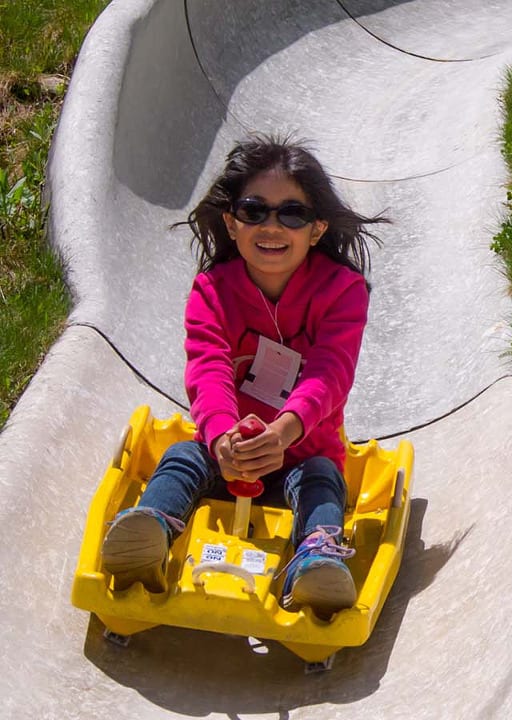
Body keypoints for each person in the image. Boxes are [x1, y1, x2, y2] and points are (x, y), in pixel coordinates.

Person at [100, 135, 387, 619]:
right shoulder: (212, 291)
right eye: (255, 211)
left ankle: (316, 556)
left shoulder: (342, 291)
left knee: (322, 478)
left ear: (316, 228)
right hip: (226, 452)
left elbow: (330, 372)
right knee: (183, 456)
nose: (272, 226)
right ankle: (151, 526)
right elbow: (207, 368)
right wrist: (222, 439)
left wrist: (283, 432)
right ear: (232, 223)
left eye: (291, 214)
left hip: (300, 450)